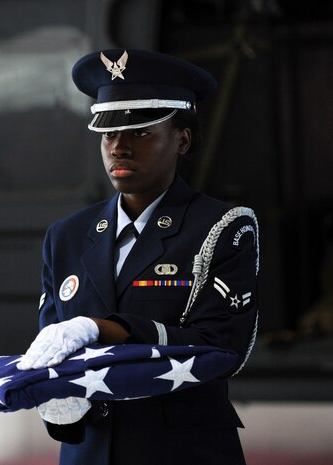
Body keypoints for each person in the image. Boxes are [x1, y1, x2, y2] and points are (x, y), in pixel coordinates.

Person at [16, 49, 259, 465]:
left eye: (141, 132)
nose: (119, 147)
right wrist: (57, 407)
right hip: (87, 452)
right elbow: (52, 351)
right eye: (108, 134)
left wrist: (103, 329)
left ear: (182, 139)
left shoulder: (222, 227)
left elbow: (222, 348)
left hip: (183, 452)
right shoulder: (67, 237)